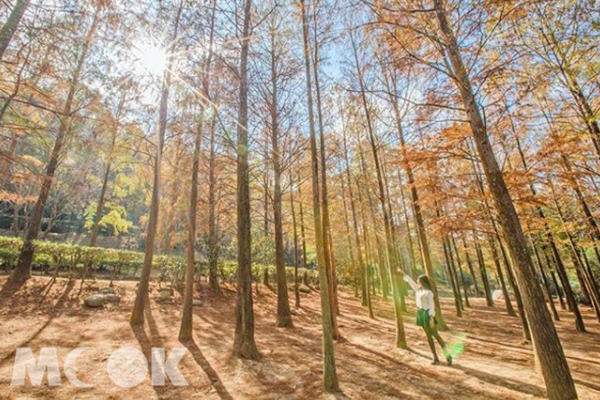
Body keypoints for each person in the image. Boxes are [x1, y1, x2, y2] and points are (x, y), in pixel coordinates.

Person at [403, 273, 452, 365]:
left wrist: (431, 317)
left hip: (428, 314)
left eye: (418, 280)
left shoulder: (428, 292)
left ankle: (448, 355)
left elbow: (431, 306)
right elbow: (411, 282)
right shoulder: (418, 290)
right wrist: (404, 274)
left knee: (436, 335)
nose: (417, 282)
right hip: (421, 313)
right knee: (428, 336)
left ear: (422, 282)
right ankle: (435, 357)